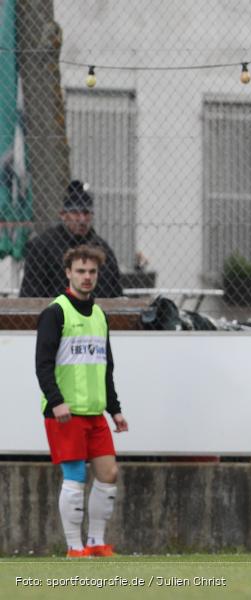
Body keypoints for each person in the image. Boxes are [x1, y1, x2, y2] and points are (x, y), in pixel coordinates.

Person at [35, 245, 128, 558]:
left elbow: (106, 367)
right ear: (68, 273)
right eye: (80, 271)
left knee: (109, 474)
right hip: (66, 413)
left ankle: (96, 542)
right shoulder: (56, 312)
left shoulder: (100, 315)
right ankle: (74, 547)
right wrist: (57, 400)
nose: (87, 277)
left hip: (94, 413)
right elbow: (43, 364)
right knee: (75, 477)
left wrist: (114, 410)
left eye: (92, 272)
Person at [20, 180, 123, 298]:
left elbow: (115, 293)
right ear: (63, 215)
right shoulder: (42, 246)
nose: (82, 219)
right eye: (75, 213)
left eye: (86, 213)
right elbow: (30, 294)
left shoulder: (103, 249)